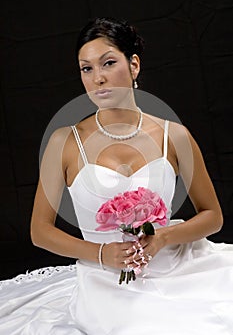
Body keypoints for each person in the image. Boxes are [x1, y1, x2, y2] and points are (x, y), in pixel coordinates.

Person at [0, 17, 233, 335]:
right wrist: (101, 254)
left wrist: (163, 238)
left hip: (177, 264)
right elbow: (40, 231)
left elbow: (213, 217)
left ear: (134, 65)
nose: (98, 78)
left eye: (108, 63)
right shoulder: (65, 142)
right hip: (105, 280)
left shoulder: (173, 136)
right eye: (87, 68)